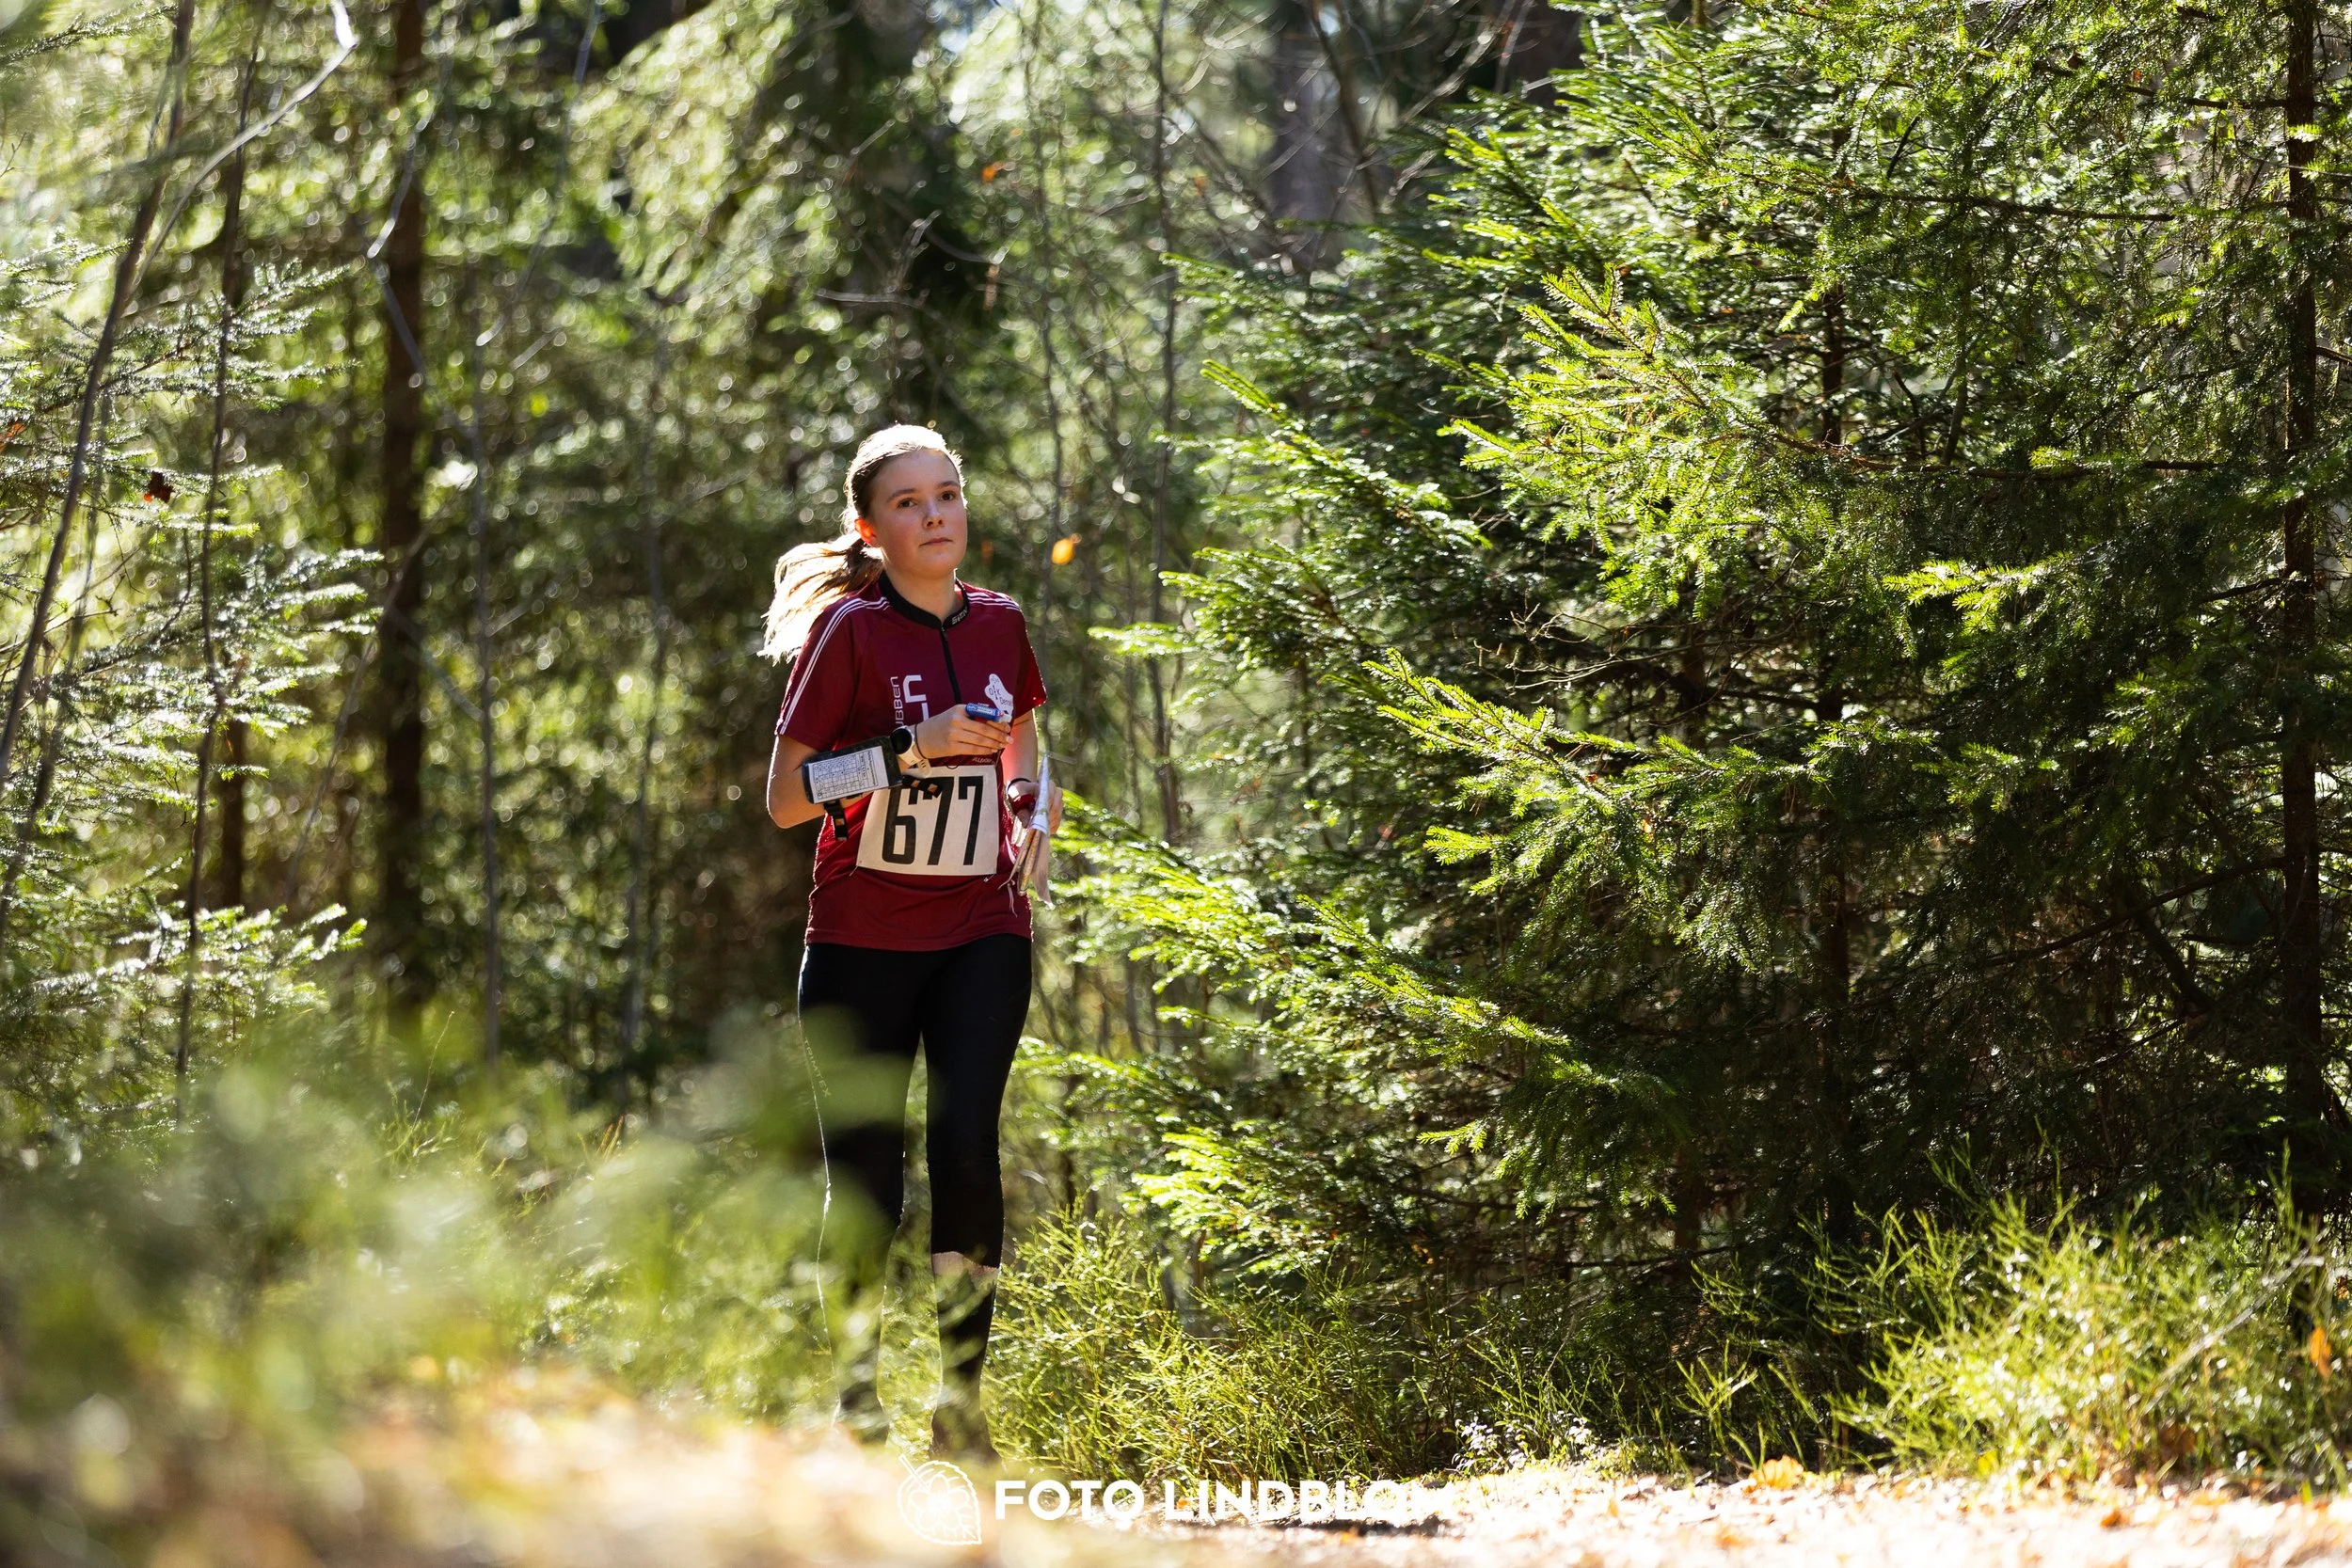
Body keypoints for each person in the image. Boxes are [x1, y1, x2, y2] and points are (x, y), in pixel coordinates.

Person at [762, 423, 1061, 1461]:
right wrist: (906, 748)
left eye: (948, 495)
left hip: (984, 923)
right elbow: (786, 797)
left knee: (968, 1143)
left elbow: (1023, 750)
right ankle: (855, 1396)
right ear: (869, 529)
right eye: (909, 502)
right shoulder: (848, 633)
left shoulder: (1001, 622)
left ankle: (959, 1406)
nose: (936, 516)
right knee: (868, 1178)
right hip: (862, 938)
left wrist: (1031, 803)